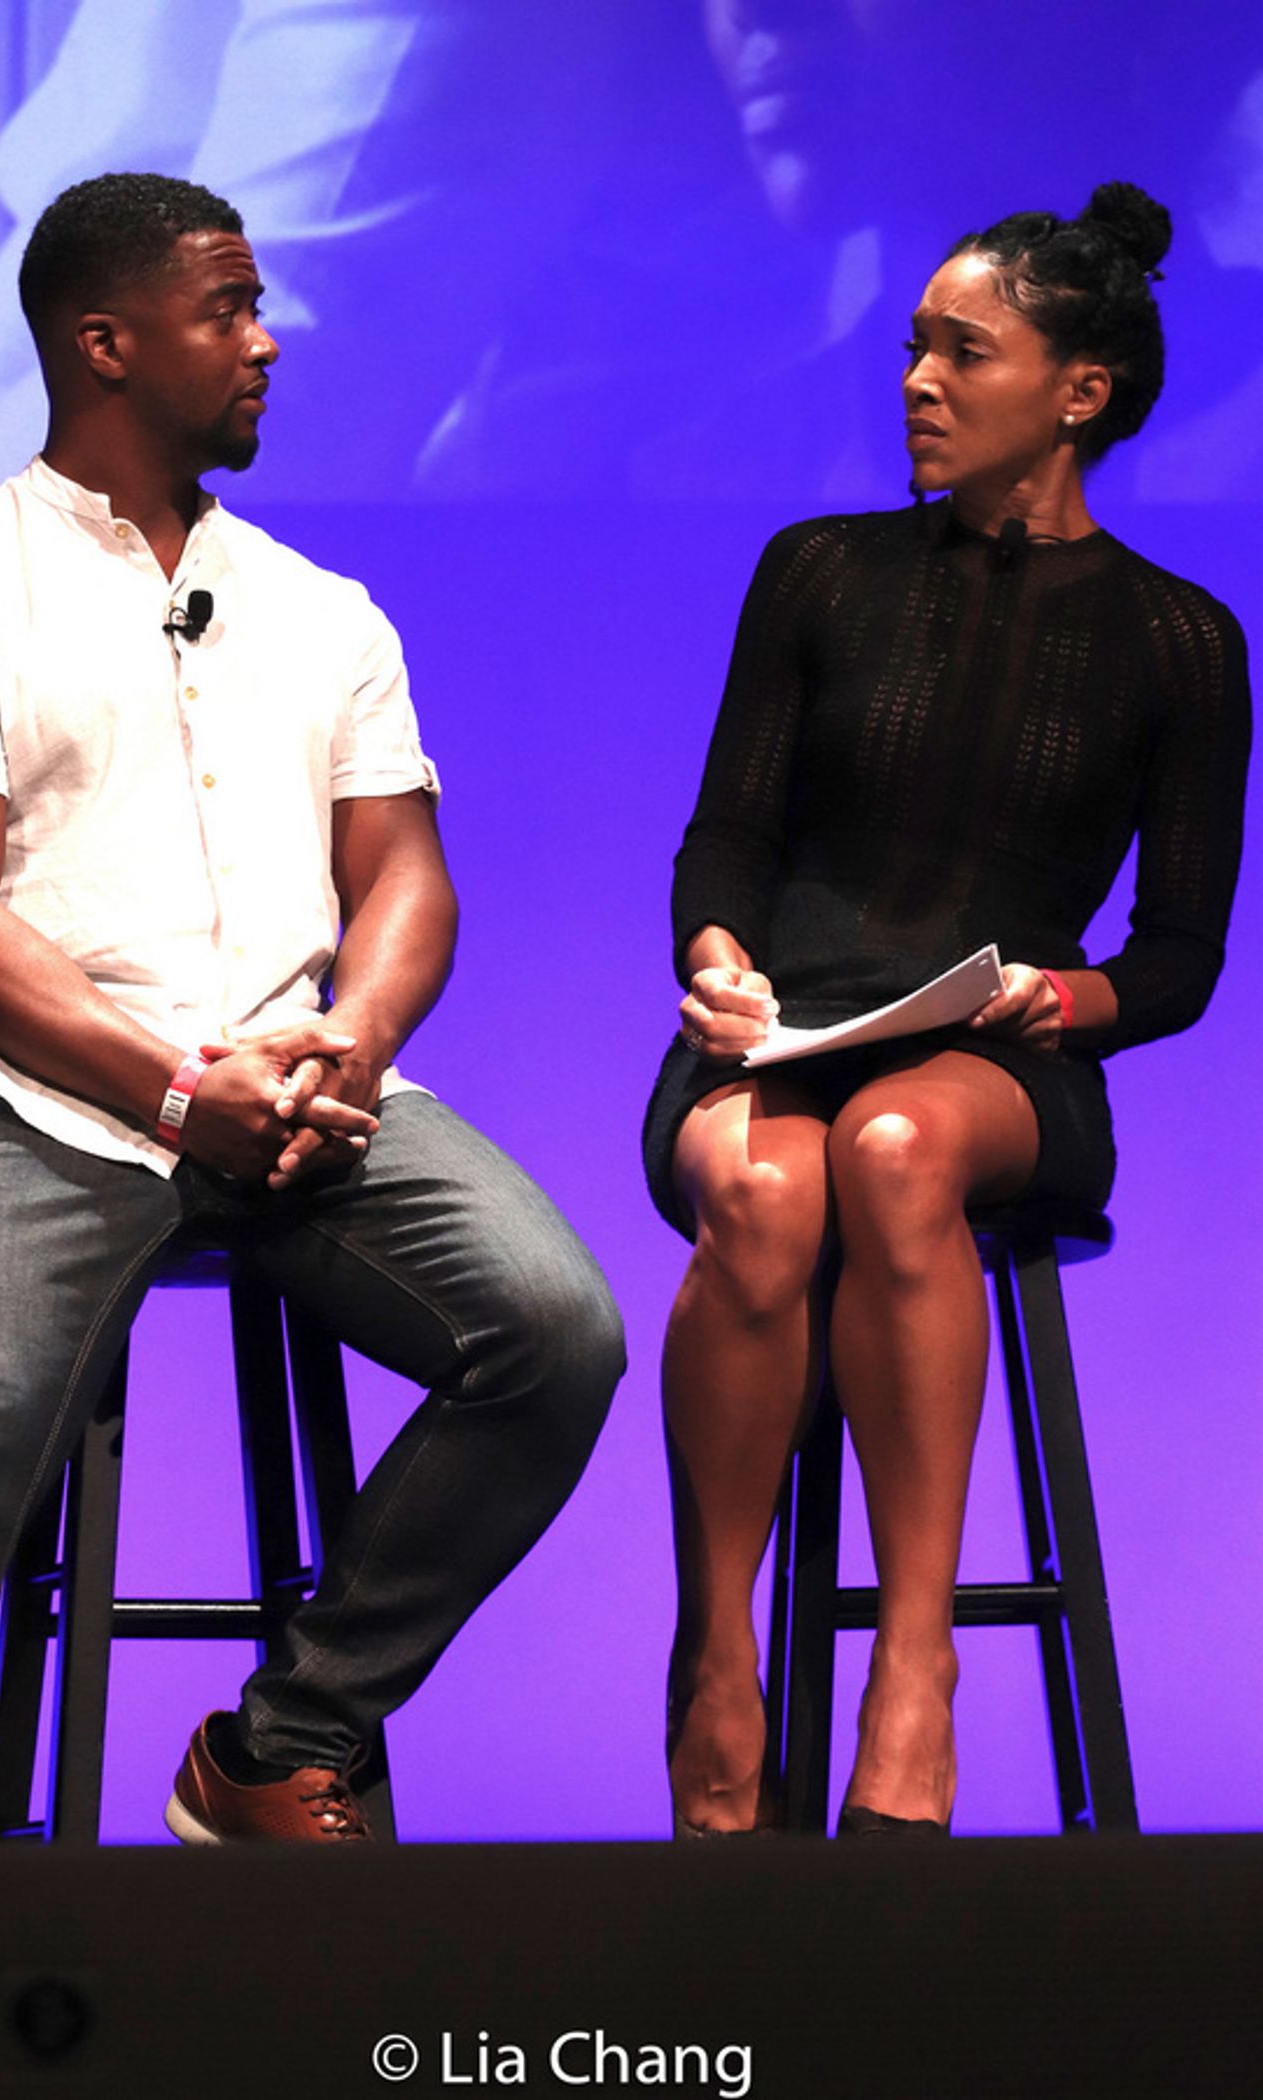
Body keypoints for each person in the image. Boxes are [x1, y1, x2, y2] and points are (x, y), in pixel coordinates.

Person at [0, 170, 624, 2092]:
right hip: (54, 1104)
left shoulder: (319, 608)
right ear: (107, 343)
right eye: (228, 307)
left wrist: (346, 1046)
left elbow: (406, 880)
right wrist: (171, 1086)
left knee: (554, 1328)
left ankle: (285, 1736)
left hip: (300, 1096)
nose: (266, 335)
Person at [644, 181, 1251, 1839]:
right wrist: (716, 953)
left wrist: (1078, 993)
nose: (913, 377)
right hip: (782, 1024)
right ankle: (719, 1651)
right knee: (767, 1192)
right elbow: (733, 836)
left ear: (1079, 393)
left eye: (958, 351)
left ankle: (917, 1669)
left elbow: (1182, 957)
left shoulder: (1181, 642)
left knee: (900, 1149)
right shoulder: (820, 571)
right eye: (911, 346)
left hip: (997, 1054)